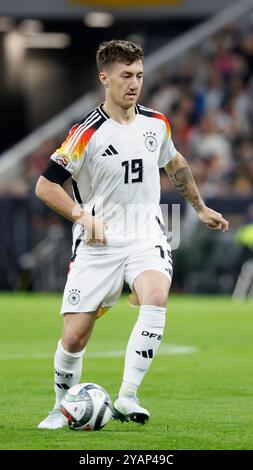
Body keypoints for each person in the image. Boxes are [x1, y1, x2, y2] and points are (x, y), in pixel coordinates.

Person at [35, 39, 229, 429]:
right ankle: (61, 406)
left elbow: (175, 163)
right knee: (74, 337)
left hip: (146, 234)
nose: (134, 83)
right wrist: (81, 216)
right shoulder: (85, 132)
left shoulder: (156, 123)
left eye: (139, 75)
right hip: (97, 242)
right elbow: (45, 185)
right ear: (104, 77)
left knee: (156, 294)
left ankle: (127, 395)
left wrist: (200, 207)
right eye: (126, 76)